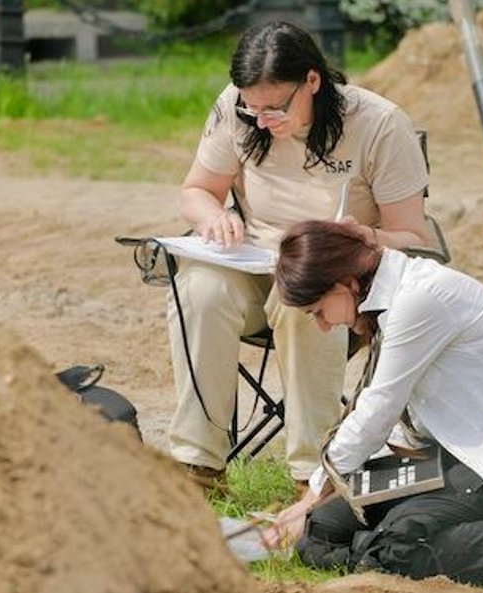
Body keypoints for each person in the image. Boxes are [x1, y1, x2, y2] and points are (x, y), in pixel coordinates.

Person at [167, 21, 432, 491]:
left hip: (338, 277)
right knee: (199, 289)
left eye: (275, 108)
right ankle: (198, 466)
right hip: (252, 261)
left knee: (303, 302)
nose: (263, 120)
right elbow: (197, 191)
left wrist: (366, 237)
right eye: (253, 109)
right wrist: (213, 216)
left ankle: (312, 476)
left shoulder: (378, 123)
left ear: (313, 81)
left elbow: (413, 236)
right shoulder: (236, 107)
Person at [260, 220, 483, 586]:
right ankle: (375, 550)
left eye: (318, 311)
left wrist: (309, 498)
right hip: (443, 455)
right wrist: (313, 505)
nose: (323, 325)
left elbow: (377, 410)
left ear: (346, 286)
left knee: (395, 548)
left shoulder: (419, 298)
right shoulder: (390, 297)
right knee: (320, 531)